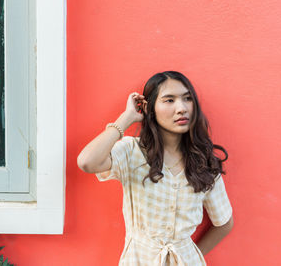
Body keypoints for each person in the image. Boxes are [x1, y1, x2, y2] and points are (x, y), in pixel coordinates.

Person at [77, 71, 233, 266]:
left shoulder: (204, 162)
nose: (182, 108)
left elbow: (224, 223)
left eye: (187, 99)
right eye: (169, 100)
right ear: (150, 108)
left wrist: (189, 256)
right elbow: (87, 162)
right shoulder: (132, 152)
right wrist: (126, 118)